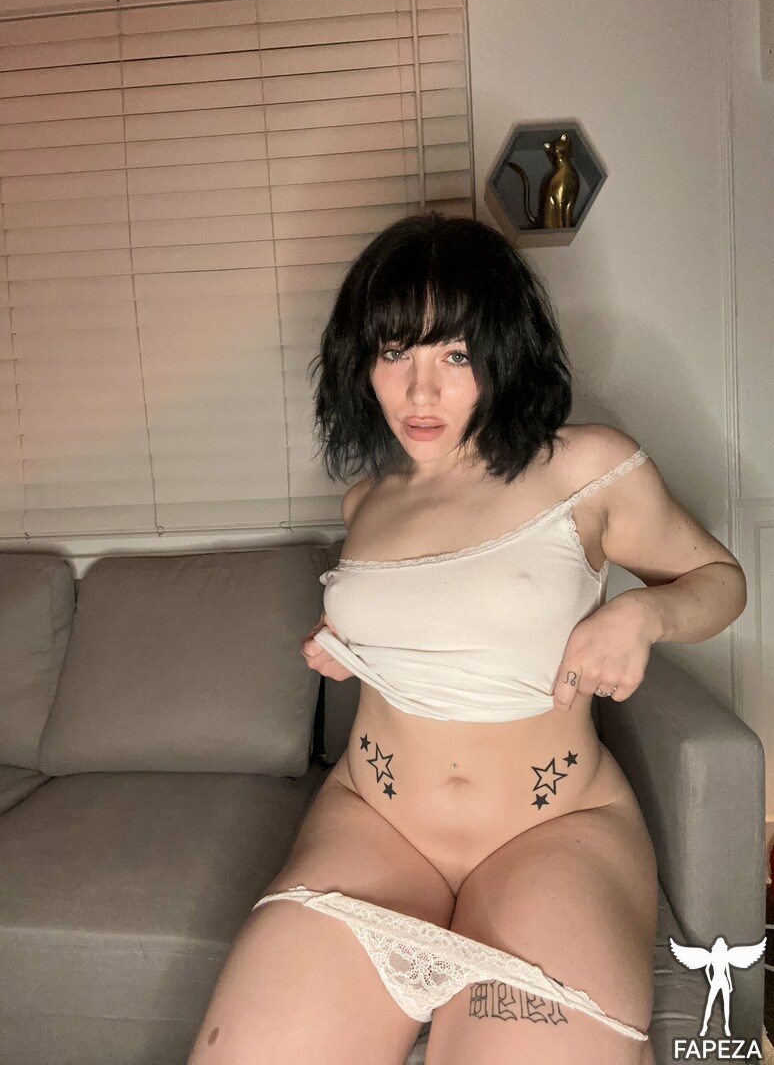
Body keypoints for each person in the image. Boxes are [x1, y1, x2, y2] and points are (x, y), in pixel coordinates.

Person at [187, 212, 747, 1065]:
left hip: (552, 832)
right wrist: (352, 645)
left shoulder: (588, 467)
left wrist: (642, 615)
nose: (421, 392)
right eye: (394, 353)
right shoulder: (367, 502)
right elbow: (433, 626)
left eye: (454, 355)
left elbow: (721, 581)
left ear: (502, 353)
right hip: (374, 823)